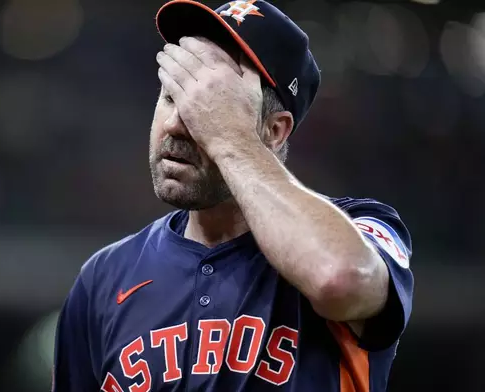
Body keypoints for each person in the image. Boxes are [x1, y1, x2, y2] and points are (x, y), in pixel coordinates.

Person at [52, 0, 414, 391]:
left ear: (274, 132)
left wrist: (228, 138)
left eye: (208, 106)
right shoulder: (103, 279)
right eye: (172, 97)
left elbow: (338, 280)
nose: (175, 124)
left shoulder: (360, 228)